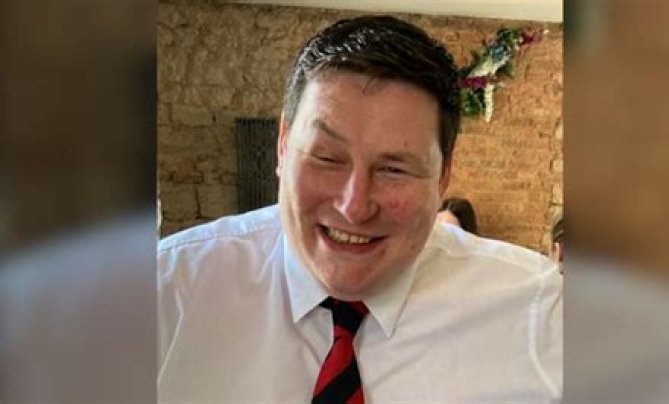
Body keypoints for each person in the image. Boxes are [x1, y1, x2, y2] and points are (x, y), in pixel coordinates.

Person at [158, 15, 562, 402]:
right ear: (283, 145)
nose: (354, 207)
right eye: (327, 158)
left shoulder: (540, 314)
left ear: (443, 176)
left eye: (394, 169)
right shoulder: (163, 294)